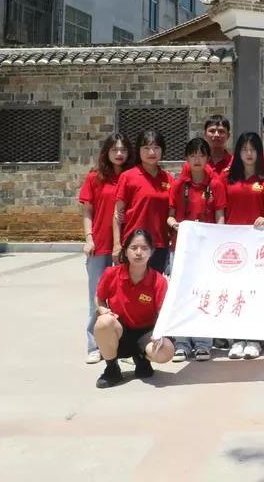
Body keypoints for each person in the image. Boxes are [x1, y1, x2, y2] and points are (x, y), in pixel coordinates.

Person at [166, 137, 226, 362]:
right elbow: (170, 216)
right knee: (181, 294)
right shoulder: (178, 185)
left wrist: (217, 238)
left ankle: (203, 343)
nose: (197, 159)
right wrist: (176, 225)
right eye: (193, 155)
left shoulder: (216, 184)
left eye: (201, 155)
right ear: (186, 159)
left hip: (206, 249)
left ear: (208, 158)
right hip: (180, 247)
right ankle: (182, 343)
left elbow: (220, 216)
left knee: (204, 293)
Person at [92, 228, 175, 388]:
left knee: (166, 351)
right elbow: (99, 298)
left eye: (144, 248)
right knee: (103, 322)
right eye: (134, 248)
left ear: (151, 252)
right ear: (125, 251)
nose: (139, 253)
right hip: (120, 331)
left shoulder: (159, 281)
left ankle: (142, 359)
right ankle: (112, 369)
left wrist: (159, 334)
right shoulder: (111, 273)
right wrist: (103, 310)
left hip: (146, 332)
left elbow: (162, 313)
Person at [79, 132, 134, 364]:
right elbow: (87, 211)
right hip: (99, 245)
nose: (119, 154)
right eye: (114, 150)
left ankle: (123, 347)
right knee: (97, 295)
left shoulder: (132, 176)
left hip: (125, 245)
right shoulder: (95, 177)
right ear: (106, 152)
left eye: (123, 149)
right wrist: (89, 238)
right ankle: (95, 345)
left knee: (124, 297)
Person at [223, 131, 264, 360]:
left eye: (253, 149)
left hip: (259, 244)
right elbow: (219, 210)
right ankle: (236, 339)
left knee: (256, 291)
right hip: (233, 246)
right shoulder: (227, 177)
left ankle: (254, 339)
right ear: (238, 152)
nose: (249, 153)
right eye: (244, 149)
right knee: (236, 292)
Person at [114, 130, 173, 273]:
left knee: (154, 284)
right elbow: (117, 213)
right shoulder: (128, 176)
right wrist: (116, 244)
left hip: (159, 245)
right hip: (134, 244)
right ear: (138, 151)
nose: (151, 152)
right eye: (146, 148)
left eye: (156, 147)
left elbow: (172, 213)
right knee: (131, 284)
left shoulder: (168, 179)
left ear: (162, 150)